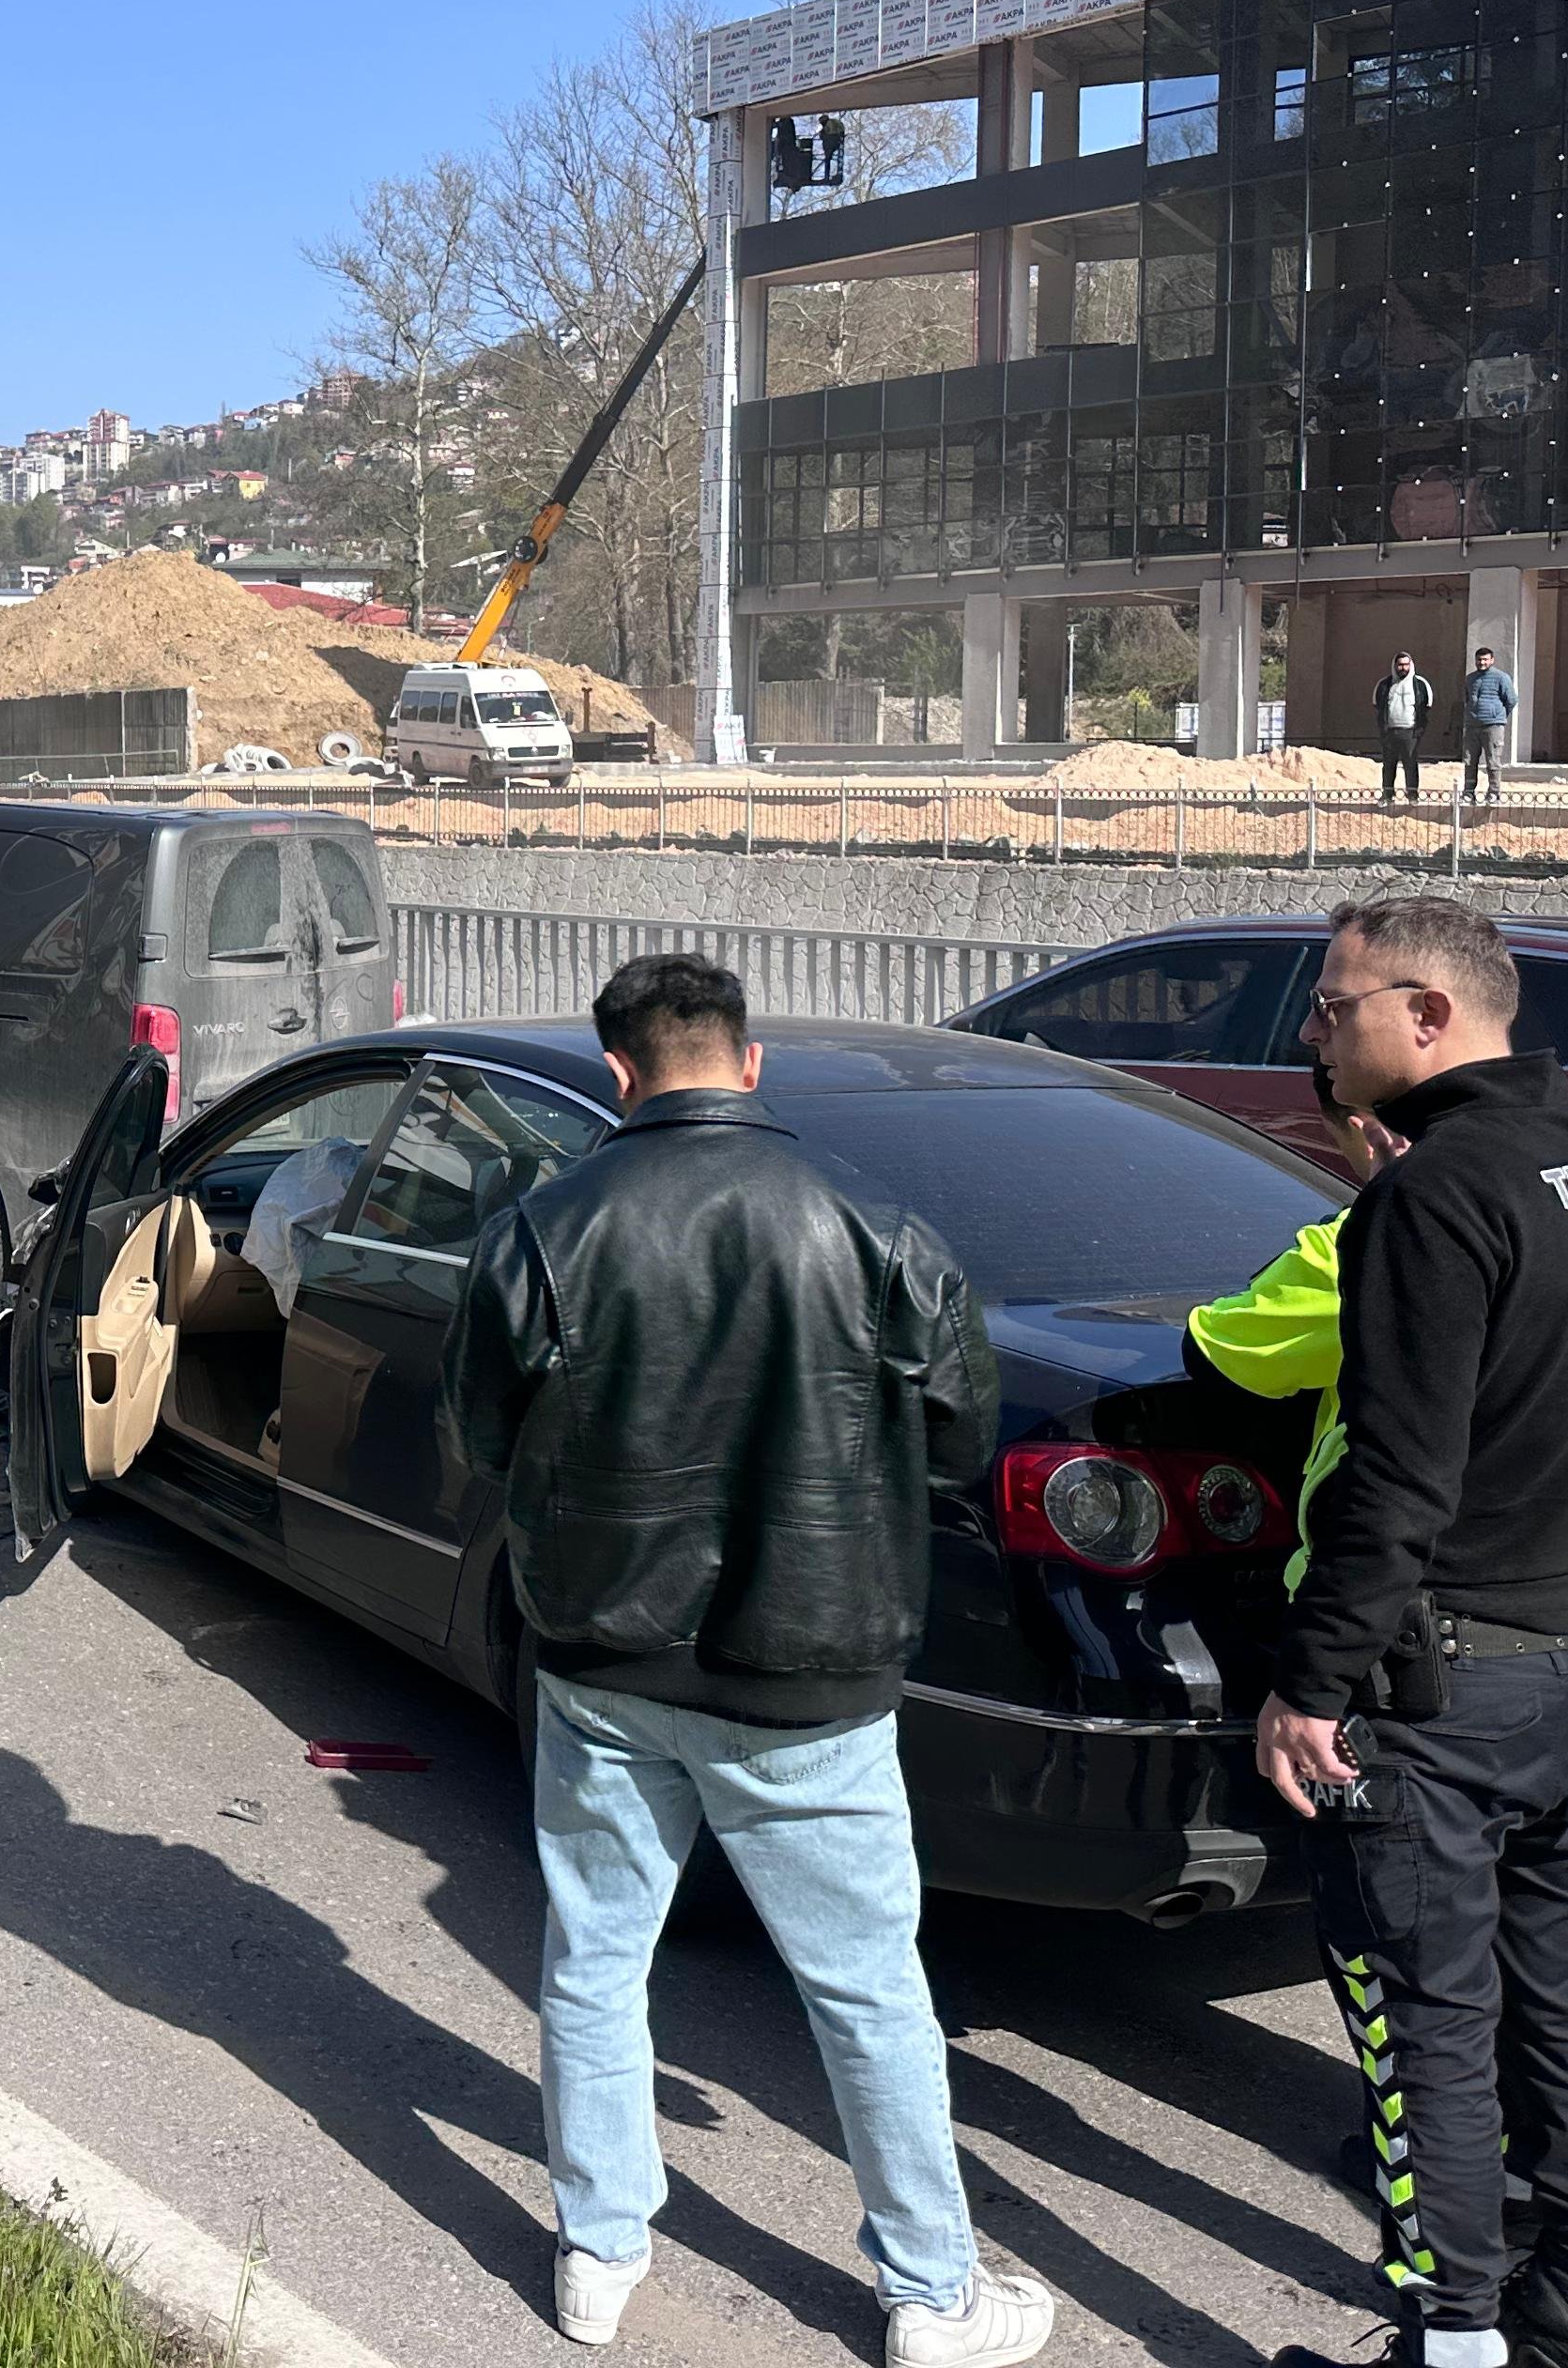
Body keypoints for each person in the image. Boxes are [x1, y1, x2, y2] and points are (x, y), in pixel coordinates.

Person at [446, 951, 1053, 2365]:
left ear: (618, 1078)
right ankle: (928, 2293)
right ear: (750, 1062)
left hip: (603, 1663)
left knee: (596, 1961)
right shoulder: (875, 1226)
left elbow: (485, 1434)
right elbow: (962, 1437)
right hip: (813, 1676)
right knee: (868, 1989)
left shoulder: (543, 1229)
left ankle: (598, 2256)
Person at [1255, 895, 1568, 2368]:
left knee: (1433, 2026)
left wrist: (1310, 1682)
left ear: (1427, 1014)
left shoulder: (1435, 1196)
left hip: (1441, 1685)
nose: (1318, 1035)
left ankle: (1454, 2341)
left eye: (1335, 1006)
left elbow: (1398, 1473)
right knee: (1560, 2002)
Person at [1189, 1065, 1568, 2247]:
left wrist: (1359, 1213)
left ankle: (1458, 2231)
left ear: (1372, 1132)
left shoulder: (1392, 1228)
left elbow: (1230, 1349)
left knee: (1425, 1967)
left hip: (1462, 1634)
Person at [1376, 652, 1436, 805]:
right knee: (1389, 764)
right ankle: (1388, 795)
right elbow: (1378, 705)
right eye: (1400, 664)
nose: (1403, 668)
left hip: (1410, 732)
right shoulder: (1384, 684)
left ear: (1411, 665)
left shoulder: (1420, 684)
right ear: (1395, 666)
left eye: (1406, 664)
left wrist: (1419, 729)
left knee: (1410, 764)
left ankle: (1412, 795)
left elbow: (1426, 706)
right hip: (1390, 732)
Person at [1459, 648, 1515, 805]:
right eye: (1479, 660)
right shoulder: (1470, 679)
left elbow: (1511, 700)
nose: (1482, 663)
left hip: (1493, 726)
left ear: (1492, 660)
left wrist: (1498, 716)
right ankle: (1468, 793)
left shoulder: (1502, 678)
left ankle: (1494, 793)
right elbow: (1466, 699)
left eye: (1485, 660)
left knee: (1493, 762)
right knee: (1470, 761)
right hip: (1472, 726)